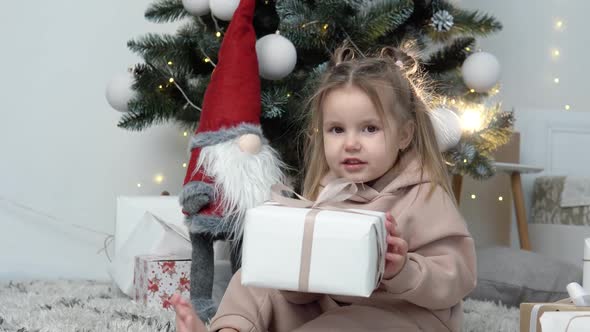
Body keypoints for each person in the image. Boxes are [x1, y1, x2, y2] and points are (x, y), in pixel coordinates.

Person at [172, 45, 477, 332]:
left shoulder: (423, 195)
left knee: (347, 322)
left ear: (404, 135)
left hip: (403, 312)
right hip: (335, 303)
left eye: (370, 128)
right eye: (337, 130)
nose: (351, 143)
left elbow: (457, 276)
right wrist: (290, 274)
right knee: (253, 278)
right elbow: (307, 289)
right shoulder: (329, 191)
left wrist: (404, 269)